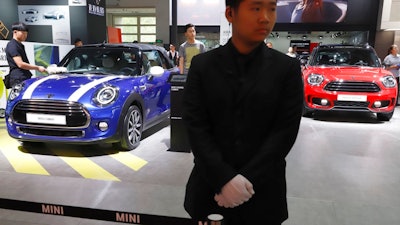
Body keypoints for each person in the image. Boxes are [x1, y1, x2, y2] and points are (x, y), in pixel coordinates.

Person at [182, 0, 303, 224]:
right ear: (230, 13)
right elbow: (195, 126)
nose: (265, 17)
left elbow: (284, 132)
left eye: (272, 9)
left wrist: (246, 180)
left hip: (264, 193)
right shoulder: (202, 65)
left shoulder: (287, 69)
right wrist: (224, 178)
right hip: (209, 190)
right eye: (256, 8)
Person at [5, 22, 46, 88]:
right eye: (23, 33)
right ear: (15, 32)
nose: (25, 35)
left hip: (22, 77)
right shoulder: (12, 45)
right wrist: (37, 68)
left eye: (26, 33)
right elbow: (20, 64)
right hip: (18, 78)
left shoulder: (19, 45)